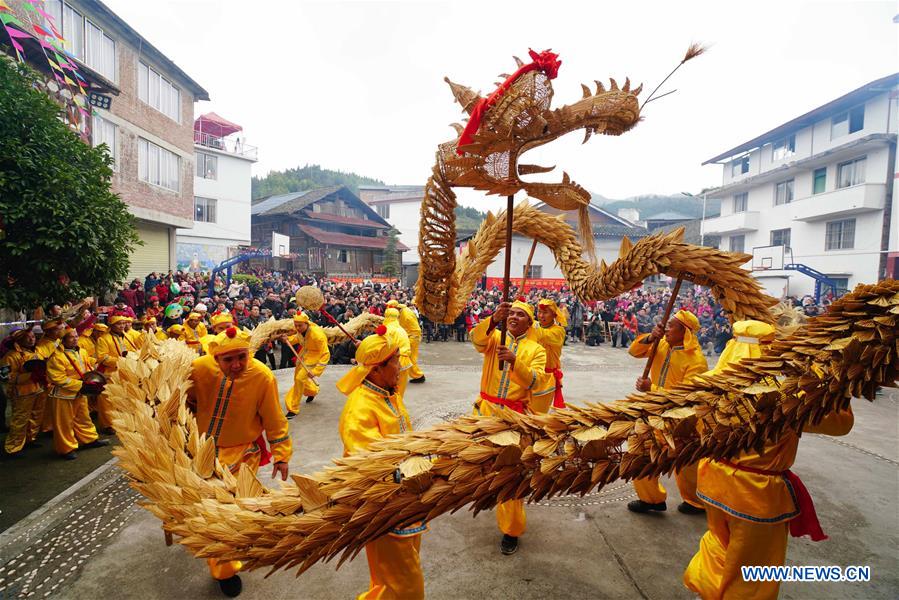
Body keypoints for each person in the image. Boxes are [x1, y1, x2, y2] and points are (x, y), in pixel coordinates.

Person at [683, 321, 855, 600]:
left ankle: (708, 590)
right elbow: (840, 423)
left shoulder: (709, 385)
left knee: (719, 542)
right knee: (753, 566)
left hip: (714, 482)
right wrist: (837, 382)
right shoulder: (788, 397)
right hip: (754, 495)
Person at [187, 326, 292, 596]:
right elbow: (181, 399)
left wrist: (281, 454)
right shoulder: (198, 369)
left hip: (244, 453)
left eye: (242, 357)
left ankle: (230, 559)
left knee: (235, 512)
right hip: (202, 452)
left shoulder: (262, 375)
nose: (236, 365)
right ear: (216, 358)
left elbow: (274, 417)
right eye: (228, 359)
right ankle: (223, 567)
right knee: (214, 514)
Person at [337, 325, 425, 600]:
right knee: (408, 585)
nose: (401, 366)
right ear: (376, 370)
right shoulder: (360, 407)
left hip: (406, 497)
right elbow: (370, 462)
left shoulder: (387, 393)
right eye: (396, 361)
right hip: (384, 502)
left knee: (395, 574)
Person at [470, 299, 554, 555]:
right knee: (476, 462)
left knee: (511, 473)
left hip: (514, 418)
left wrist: (516, 361)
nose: (514, 317)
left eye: (520, 314)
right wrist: (493, 319)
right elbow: (477, 341)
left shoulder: (536, 350)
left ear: (529, 323)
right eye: (511, 313)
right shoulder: (495, 337)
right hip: (485, 412)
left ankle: (511, 529)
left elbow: (536, 382)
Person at [628, 309, 708, 515]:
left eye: (672, 326)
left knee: (687, 460)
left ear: (685, 332)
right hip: (653, 412)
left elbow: (686, 398)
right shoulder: (661, 344)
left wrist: (651, 388)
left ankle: (695, 501)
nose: (666, 329)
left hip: (681, 419)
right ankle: (651, 498)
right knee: (641, 452)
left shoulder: (696, 361)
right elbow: (633, 352)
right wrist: (650, 337)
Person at [46, 327, 109, 459]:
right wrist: (81, 385)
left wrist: (94, 374)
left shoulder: (82, 351)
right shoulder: (56, 357)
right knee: (64, 423)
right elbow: (57, 379)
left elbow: (87, 367)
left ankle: (89, 439)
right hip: (63, 395)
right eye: (71, 337)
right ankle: (66, 449)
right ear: (63, 340)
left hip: (80, 392)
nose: (75, 339)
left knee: (84, 418)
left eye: (76, 336)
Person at [2, 329, 46, 457]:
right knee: (20, 420)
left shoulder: (36, 351)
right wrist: (29, 375)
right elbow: (5, 377)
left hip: (38, 389)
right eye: (28, 337)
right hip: (21, 393)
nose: (32, 339)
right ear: (20, 340)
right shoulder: (10, 356)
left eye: (33, 337)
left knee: (35, 416)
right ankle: (13, 448)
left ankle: (29, 439)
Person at [283, 311, 330, 417]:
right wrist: (288, 339)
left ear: (306, 323)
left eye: (300, 325)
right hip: (304, 355)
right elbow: (297, 338)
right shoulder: (300, 330)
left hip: (314, 358)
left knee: (299, 379)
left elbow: (325, 353)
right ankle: (312, 391)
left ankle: (293, 408)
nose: (297, 328)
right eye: (296, 325)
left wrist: (316, 371)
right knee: (297, 378)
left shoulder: (317, 335)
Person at [530, 298, 567, 411]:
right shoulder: (536, 327)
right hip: (531, 373)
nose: (541, 315)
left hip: (547, 377)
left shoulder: (558, 331)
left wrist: (528, 319)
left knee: (539, 411)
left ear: (554, 315)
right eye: (539, 312)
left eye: (545, 312)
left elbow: (543, 335)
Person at [387, 300, 425, 383]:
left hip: (412, 338)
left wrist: (410, 339)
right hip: (408, 337)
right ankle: (416, 375)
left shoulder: (407, 314)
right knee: (407, 357)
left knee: (409, 357)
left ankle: (418, 376)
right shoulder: (401, 311)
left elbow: (416, 329)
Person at [383, 307, 414, 398]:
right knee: (400, 390)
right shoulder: (400, 328)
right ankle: (398, 405)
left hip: (396, 361)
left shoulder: (388, 328)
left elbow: (385, 346)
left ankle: (393, 405)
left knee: (392, 390)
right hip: (405, 360)